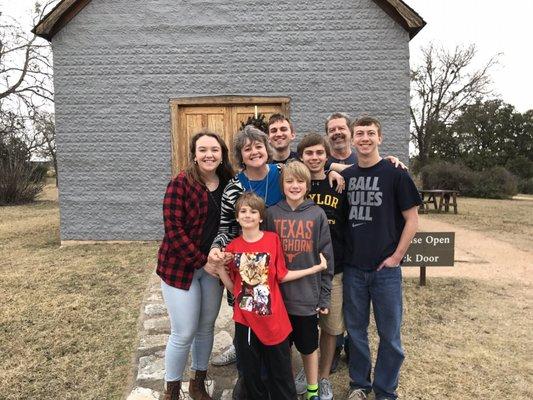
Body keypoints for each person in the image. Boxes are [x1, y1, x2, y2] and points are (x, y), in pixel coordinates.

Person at [216, 192, 328, 400]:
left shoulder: (272, 240)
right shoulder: (233, 248)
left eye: (253, 211)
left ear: (261, 217)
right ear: (237, 217)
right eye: (243, 211)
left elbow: (282, 275)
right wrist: (220, 269)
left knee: (282, 374)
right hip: (246, 321)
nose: (248, 215)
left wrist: (316, 268)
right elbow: (235, 289)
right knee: (251, 374)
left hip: (274, 320)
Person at [341, 116, 421, 400]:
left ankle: (386, 390)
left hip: (385, 269)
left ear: (380, 138)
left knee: (390, 335)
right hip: (353, 268)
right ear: (352, 140)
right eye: (359, 133)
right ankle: (359, 385)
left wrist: (397, 257)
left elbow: (412, 220)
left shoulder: (396, 173)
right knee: (356, 331)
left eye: (370, 133)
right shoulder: (346, 177)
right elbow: (328, 169)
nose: (364, 138)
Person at [156, 130, 235, 400]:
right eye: (203, 150)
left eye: (214, 149)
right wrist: (203, 261)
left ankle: (198, 382)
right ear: (194, 154)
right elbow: (174, 231)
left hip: (211, 268)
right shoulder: (180, 184)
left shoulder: (229, 184)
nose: (209, 154)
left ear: (222, 154)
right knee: (184, 330)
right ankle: (172, 390)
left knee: (206, 326)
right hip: (180, 268)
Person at [265, 160, 335, 400]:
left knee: (308, 346)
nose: (295, 186)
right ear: (282, 185)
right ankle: (286, 389)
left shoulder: (318, 215)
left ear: (307, 185)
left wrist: (324, 295)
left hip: (306, 297)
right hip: (278, 298)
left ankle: (313, 390)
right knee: (282, 349)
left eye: (300, 181)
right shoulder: (271, 213)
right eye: (289, 181)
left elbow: (327, 260)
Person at [297, 133, 350, 400]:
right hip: (302, 272)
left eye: (319, 153)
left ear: (326, 156)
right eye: (309, 153)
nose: (314, 158)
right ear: (301, 157)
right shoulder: (296, 185)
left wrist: (335, 171)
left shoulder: (339, 185)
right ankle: (307, 371)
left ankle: (324, 377)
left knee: (330, 326)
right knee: (305, 324)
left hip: (334, 269)